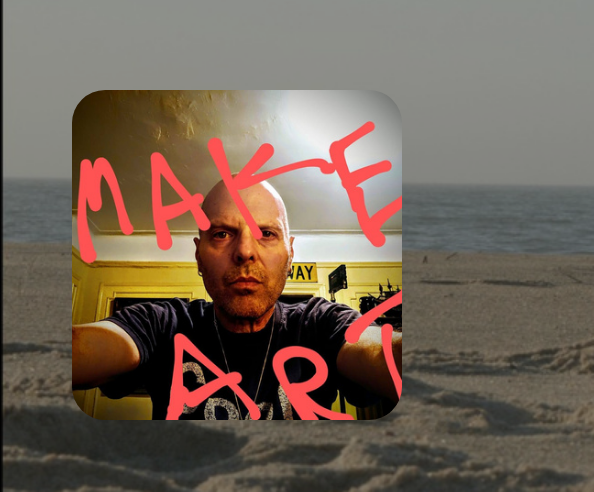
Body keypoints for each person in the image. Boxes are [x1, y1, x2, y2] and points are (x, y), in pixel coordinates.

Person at [71, 180, 401, 419]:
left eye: (266, 234)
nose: (244, 251)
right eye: (222, 234)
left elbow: (379, 352)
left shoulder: (322, 323)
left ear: (290, 254)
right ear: (199, 256)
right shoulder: (160, 324)